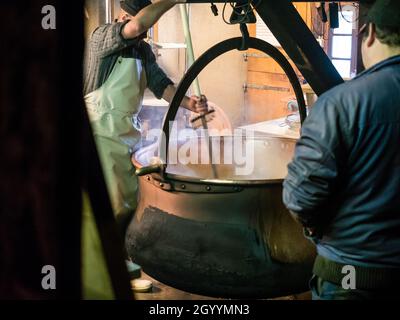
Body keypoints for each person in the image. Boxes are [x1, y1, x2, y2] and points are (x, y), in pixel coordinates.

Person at [282, 0, 400, 300]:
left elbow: (300, 197)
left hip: (351, 278)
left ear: (369, 33)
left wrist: (316, 231)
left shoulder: (341, 104)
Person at [83, 0, 208, 237]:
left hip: (126, 134)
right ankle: (104, 260)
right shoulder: (102, 37)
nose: (143, 33)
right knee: (110, 204)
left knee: (128, 202)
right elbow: (137, 25)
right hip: (100, 132)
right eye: (140, 25)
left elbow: (162, 86)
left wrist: (190, 104)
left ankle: (118, 256)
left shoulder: (142, 51)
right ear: (122, 18)